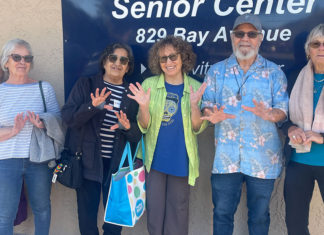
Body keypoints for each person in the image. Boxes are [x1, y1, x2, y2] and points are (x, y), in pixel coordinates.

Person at [201, 14, 289, 235]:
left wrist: (272, 114)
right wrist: (211, 114)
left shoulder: (274, 73)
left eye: (251, 34)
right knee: (221, 215)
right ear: (232, 37)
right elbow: (206, 105)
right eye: (240, 33)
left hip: (262, 160)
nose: (245, 38)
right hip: (226, 158)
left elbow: (283, 110)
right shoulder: (216, 71)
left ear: (260, 38)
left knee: (259, 218)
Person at [128, 35, 207, 235]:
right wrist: (144, 107)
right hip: (154, 162)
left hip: (181, 161)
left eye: (173, 57)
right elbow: (143, 126)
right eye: (163, 58)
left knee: (178, 215)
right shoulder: (149, 85)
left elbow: (198, 128)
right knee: (154, 215)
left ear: (183, 58)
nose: (168, 62)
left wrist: (195, 107)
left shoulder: (196, 88)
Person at [61, 43, 141, 235]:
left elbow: (139, 134)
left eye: (123, 60)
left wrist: (128, 127)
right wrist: (92, 107)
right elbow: (68, 118)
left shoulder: (133, 93)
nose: (117, 63)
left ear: (128, 66)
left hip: (117, 168)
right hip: (87, 164)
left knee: (114, 225)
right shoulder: (86, 85)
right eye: (113, 58)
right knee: (87, 222)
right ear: (105, 61)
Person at [0, 38, 61, 235]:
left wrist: (42, 123)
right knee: (4, 215)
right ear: (6, 61)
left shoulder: (44, 89)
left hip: (39, 159)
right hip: (6, 160)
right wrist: (13, 131)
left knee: (42, 209)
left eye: (27, 58)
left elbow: (58, 123)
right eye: (16, 57)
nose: (22, 62)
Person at [282, 24, 324, 235]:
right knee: (296, 225)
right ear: (309, 49)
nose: (321, 48)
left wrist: (321, 137)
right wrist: (289, 129)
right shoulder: (293, 77)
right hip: (299, 163)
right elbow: (283, 116)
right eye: (316, 44)